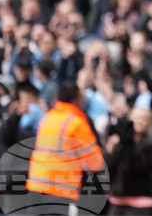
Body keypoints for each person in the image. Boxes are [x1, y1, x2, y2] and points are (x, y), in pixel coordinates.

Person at [26, 81, 107, 215]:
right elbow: (95, 162)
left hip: (36, 184)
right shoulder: (76, 123)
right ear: (75, 99)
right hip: (60, 188)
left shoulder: (48, 117)